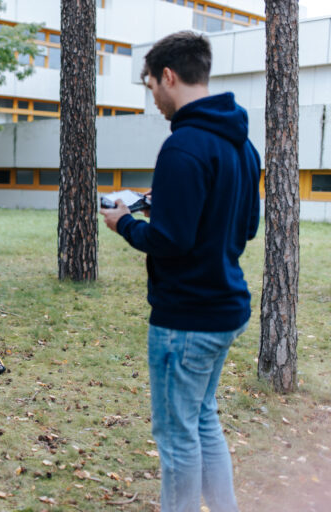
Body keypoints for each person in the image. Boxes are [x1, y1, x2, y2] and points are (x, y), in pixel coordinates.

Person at [100, 31, 260, 512]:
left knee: (176, 437)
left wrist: (125, 222)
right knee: (203, 420)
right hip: (224, 309)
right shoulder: (242, 145)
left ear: (168, 76)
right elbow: (246, 226)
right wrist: (165, 205)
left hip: (186, 320)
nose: (153, 99)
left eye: (151, 86)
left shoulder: (182, 146)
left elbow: (171, 242)